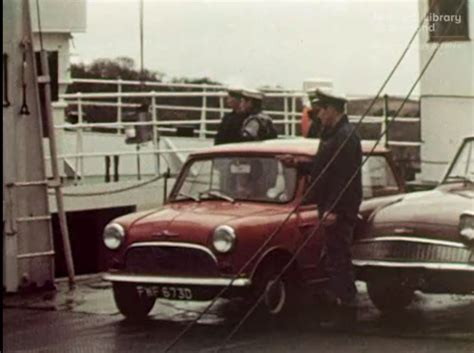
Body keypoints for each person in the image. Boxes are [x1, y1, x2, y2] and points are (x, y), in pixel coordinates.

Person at [280, 89, 362, 326]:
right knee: (333, 254)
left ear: (333, 109)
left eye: (321, 110)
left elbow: (343, 177)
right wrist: (299, 164)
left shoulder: (346, 136)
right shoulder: (331, 134)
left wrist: (333, 209)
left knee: (339, 256)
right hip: (328, 205)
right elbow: (324, 166)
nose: (318, 116)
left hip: (338, 208)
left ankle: (346, 307)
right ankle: (340, 302)